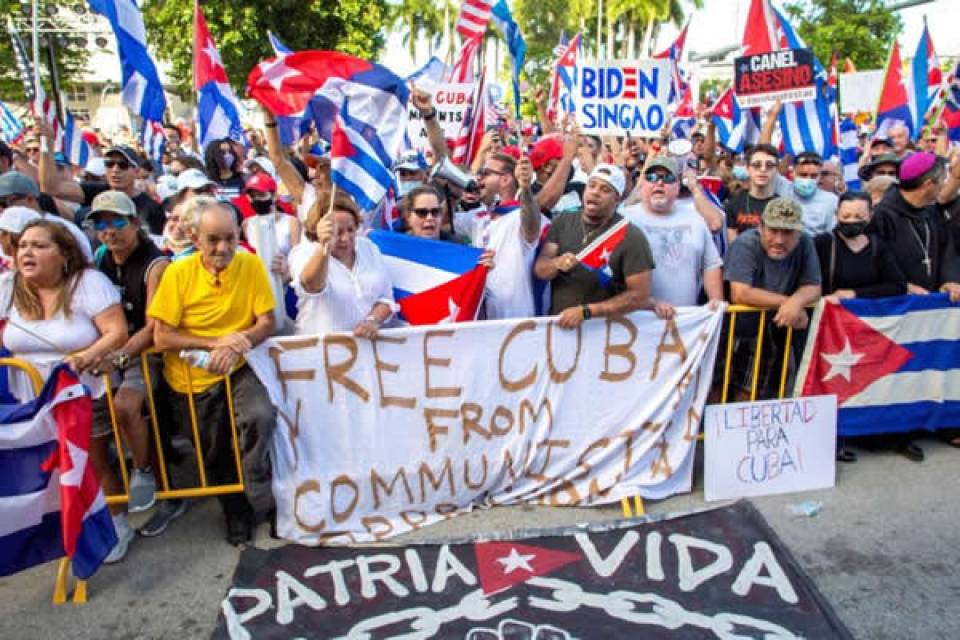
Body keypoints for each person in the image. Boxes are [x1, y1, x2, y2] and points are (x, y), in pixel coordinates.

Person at [148, 199, 277, 544]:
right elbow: (162, 336)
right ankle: (235, 513)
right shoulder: (177, 273)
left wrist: (238, 343)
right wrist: (216, 343)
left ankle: (259, 495)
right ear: (195, 237)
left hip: (239, 366)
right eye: (213, 240)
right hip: (192, 378)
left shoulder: (249, 265)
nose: (223, 248)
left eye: (230, 239)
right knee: (215, 449)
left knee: (260, 416)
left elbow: (267, 321)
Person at [0, 220, 130, 560]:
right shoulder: (8, 287)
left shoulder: (88, 283)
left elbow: (117, 332)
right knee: (48, 467)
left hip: (82, 392)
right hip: (30, 402)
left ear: (64, 254)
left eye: (40, 245)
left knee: (91, 461)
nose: (27, 251)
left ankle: (115, 523)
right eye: (23, 244)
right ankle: (65, 526)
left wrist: (88, 355)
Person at [534, 164, 657, 327]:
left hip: (606, 333)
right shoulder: (563, 220)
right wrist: (556, 264)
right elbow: (540, 270)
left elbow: (639, 296)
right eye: (591, 186)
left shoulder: (631, 236)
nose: (595, 192)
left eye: (605, 190)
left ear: (617, 198)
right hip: (562, 329)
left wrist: (587, 312)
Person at [724, 198, 822, 399]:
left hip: (782, 329)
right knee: (739, 388)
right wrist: (789, 303)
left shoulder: (805, 242)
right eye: (773, 230)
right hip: (744, 329)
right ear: (760, 227)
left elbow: (813, 286)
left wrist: (796, 303)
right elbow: (740, 292)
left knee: (779, 387)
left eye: (787, 232)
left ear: (798, 232)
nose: (779, 240)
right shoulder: (745, 244)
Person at [621, 157, 724, 313]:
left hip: (684, 323)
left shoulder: (695, 218)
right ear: (642, 185)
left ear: (678, 186)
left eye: (668, 178)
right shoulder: (624, 218)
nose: (659, 183)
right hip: (637, 323)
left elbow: (711, 264)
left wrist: (716, 301)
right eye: (651, 177)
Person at [288, 189, 395, 336]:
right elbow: (312, 286)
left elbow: (386, 298)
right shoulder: (303, 253)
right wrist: (324, 246)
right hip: (320, 351)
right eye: (337, 232)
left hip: (365, 349)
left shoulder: (369, 248)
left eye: (350, 230)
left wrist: (372, 320)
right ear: (318, 229)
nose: (345, 238)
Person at [871, 152, 960, 299]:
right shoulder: (882, 216)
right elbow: (875, 263)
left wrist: (949, 279)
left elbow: (948, 252)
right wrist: (903, 285)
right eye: (942, 180)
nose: (944, 184)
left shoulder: (930, 213)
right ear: (928, 185)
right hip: (897, 305)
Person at [41, 143, 167, 235]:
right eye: (109, 164)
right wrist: (45, 142)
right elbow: (51, 188)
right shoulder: (96, 191)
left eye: (122, 165)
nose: (115, 169)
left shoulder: (151, 208)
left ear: (136, 171)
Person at [814, 191, 907, 301]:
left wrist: (854, 293)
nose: (851, 221)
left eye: (858, 217)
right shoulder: (822, 243)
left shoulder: (877, 246)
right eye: (846, 216)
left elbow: (898, 285)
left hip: (866, 314)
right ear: (836, 214)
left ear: (870, 216)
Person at [0, 172, 94, 262]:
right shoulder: (4, 229)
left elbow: (84, 267)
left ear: (30, 199)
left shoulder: (65, 229)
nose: (1, 208)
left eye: (4, 202)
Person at [725, 144, 780, 244]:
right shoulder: (734, 204)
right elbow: (733, 245)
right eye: (757, 165)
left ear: (776, 170)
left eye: (769, 165)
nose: (763, 169)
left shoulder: (783, 206)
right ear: (748, 168)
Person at [780, 152, 838, 235]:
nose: (808, 180)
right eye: (803, 175)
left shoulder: (831, 200)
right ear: (792, 173)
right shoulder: (782, 188)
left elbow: (831, 236)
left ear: (819, 177)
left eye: (813, 176)